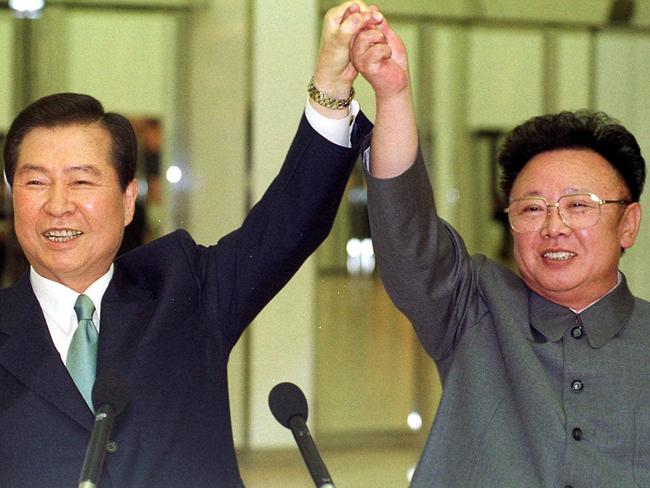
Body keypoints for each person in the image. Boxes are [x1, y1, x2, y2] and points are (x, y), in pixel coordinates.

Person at [0, 3, 382, 486]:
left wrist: (330, 89)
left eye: (81, 182)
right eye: (35, 183)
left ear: (127, 201)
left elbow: (288, 225)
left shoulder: (183, 289)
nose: (58, 206)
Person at [348, 11, 650, 488]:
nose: (554, 226)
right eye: (531, 209)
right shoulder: (474, 307)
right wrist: (392, 94)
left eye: (578, 205)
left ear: (627, 224)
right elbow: (406, 231)